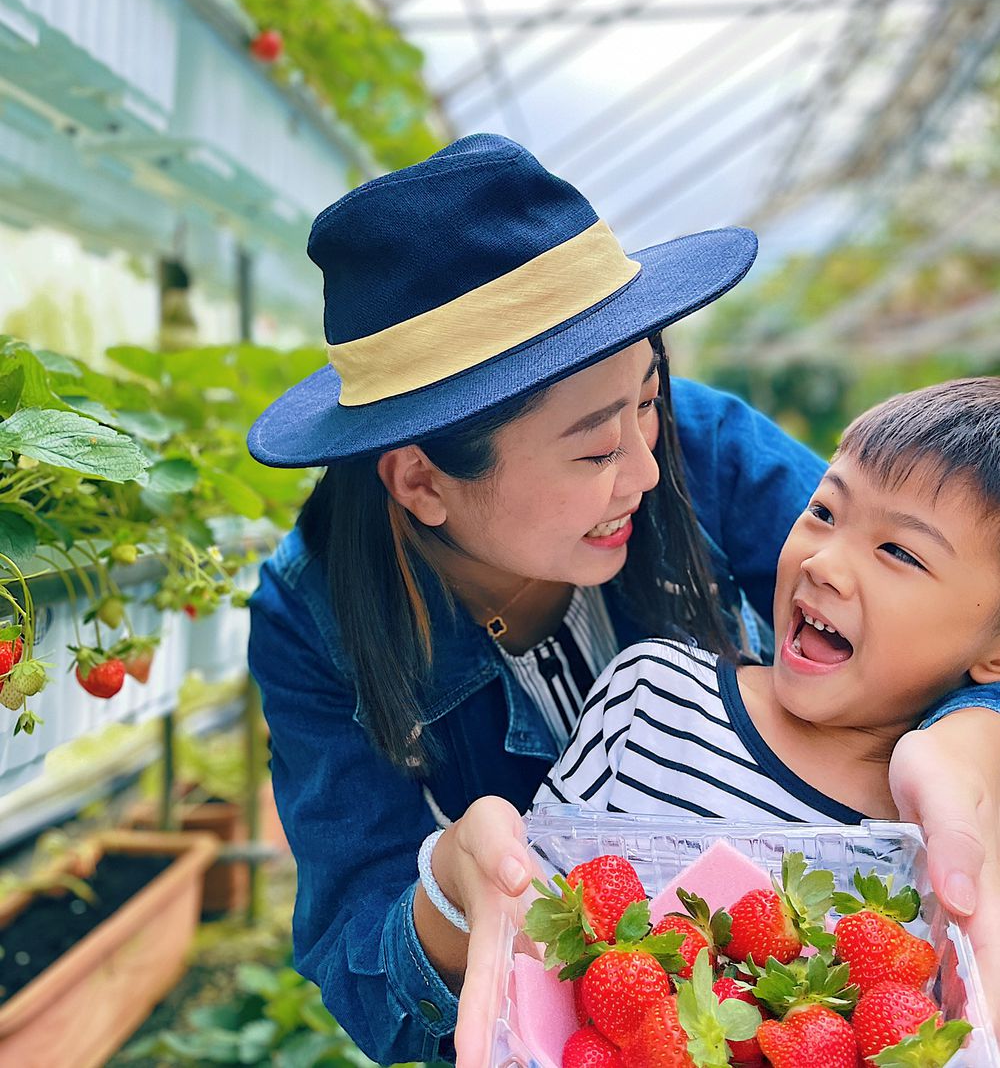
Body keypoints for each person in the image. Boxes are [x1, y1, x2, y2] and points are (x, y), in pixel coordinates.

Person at [245, 134, 1000, 1067]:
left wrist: (967, 730)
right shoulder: (311, 619)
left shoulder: (706, 446)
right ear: (420, 481)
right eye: (595, 448)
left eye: (647, 399)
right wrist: (454, 888)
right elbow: (361, 964)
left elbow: (947, 605)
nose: (648, 467)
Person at [537, 377, 1000, 829]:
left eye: (898, 552)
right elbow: (533, 894)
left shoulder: (951, 827)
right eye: (822, 512)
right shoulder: (654, 697)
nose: (823, 564)